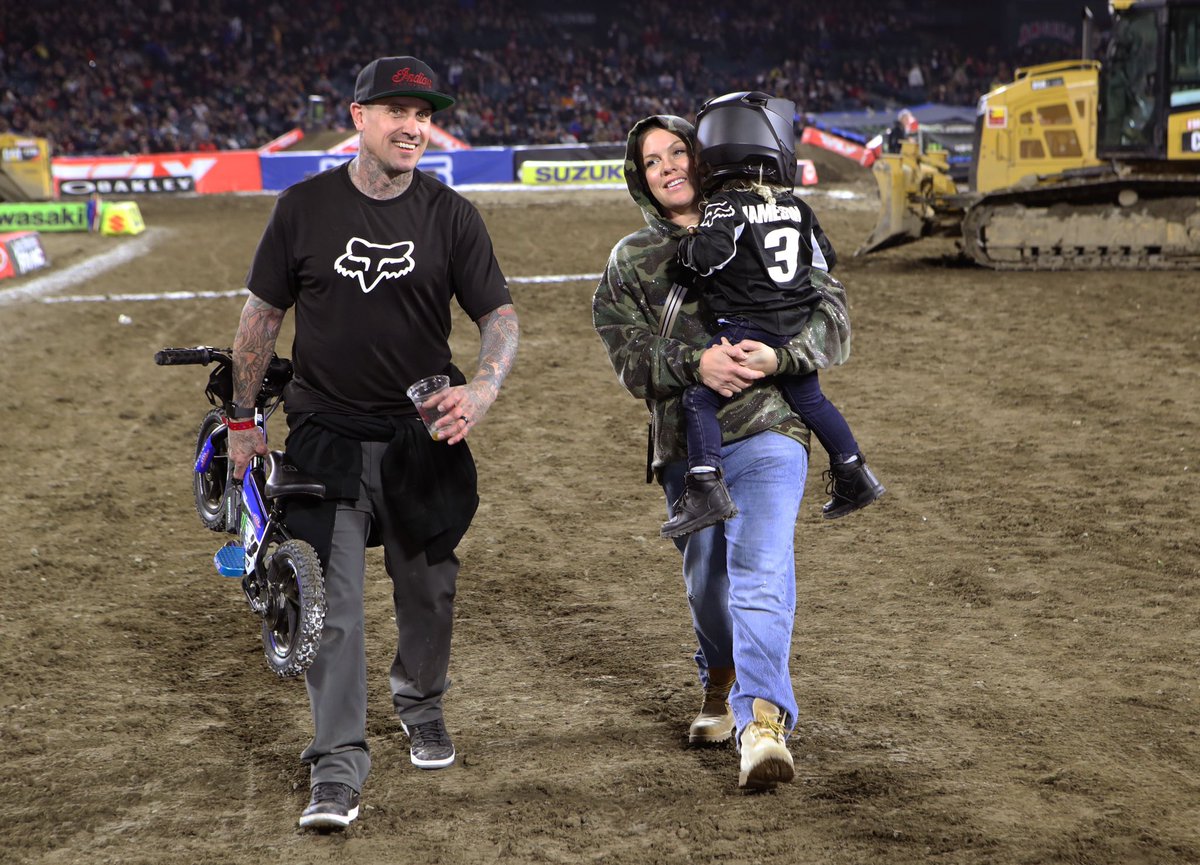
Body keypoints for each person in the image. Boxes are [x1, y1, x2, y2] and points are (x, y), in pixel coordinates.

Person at [227, 55, 519, 830]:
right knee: (334, 605)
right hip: (325, 436)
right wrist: (244, 419)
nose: (413, 127)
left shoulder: (451, 215)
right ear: (358, 117)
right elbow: (261, 316)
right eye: (397, 111)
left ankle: (421, 705)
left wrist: (482, 388)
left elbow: (499, 315)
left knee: (429, 588)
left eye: (423, 115)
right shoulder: (303, 209)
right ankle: (336, 764)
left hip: (423, 437)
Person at [592, 114, 852, 789]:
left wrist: (780, 356)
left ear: (704, 156)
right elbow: (628, 358)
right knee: (708, 584)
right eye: (651, 161)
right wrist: (695, 363)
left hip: (772, 429)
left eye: (678, 151)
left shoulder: (771, 219)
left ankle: (762, 722)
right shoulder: (630, 261)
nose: (668, 168)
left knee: (760, 569)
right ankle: (720, 674)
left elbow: (834, 319)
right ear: (639, 178)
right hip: (686, 445)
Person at [662, 91, 884, 539]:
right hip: (794, 325)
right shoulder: (798, 207)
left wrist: (686, 247)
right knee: (811, 401)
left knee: (699, 399)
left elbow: (709, 255)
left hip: (747, 326)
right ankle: (854, 472)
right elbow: (825, 260)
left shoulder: (727, 204)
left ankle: (705, 486)